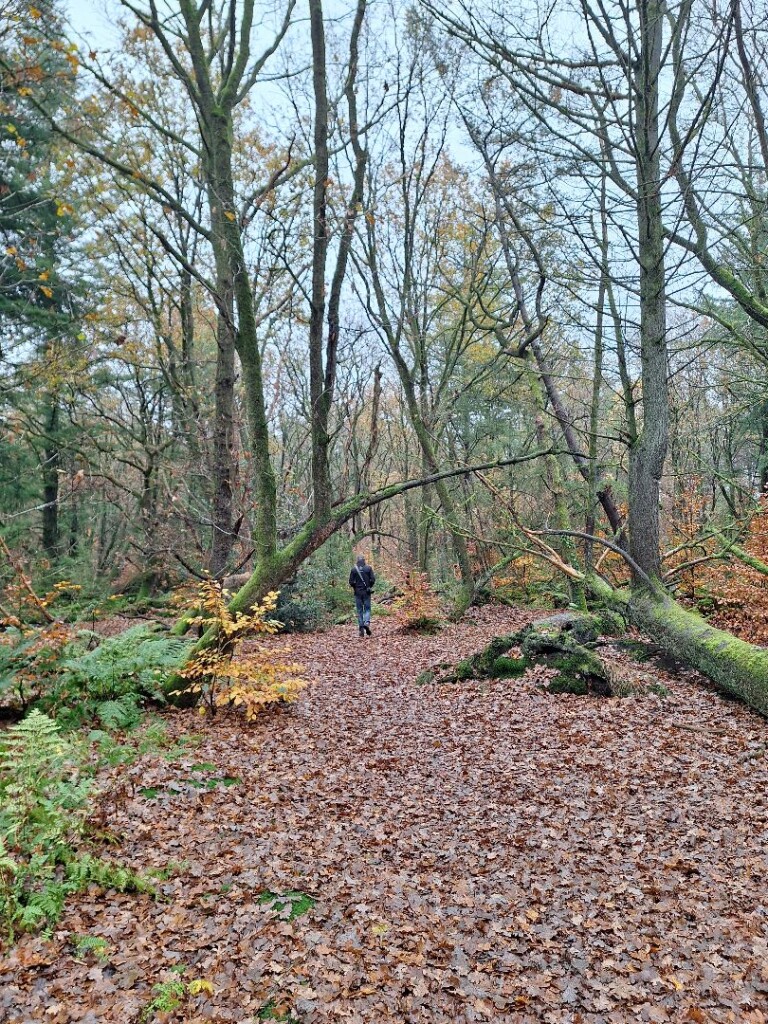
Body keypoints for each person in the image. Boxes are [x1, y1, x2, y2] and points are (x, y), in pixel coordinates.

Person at [349, 555, 375, 637]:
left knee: (359, 610)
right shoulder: (368, 568)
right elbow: (373, 580)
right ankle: (366, 623)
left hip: (357, 593)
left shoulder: (354, 570)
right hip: (366, 593)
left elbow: (351, 582)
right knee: (367, 609)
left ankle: (361, 629)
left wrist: (355, 587)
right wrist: (369, 587)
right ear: (364, 561)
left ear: (357, 561)